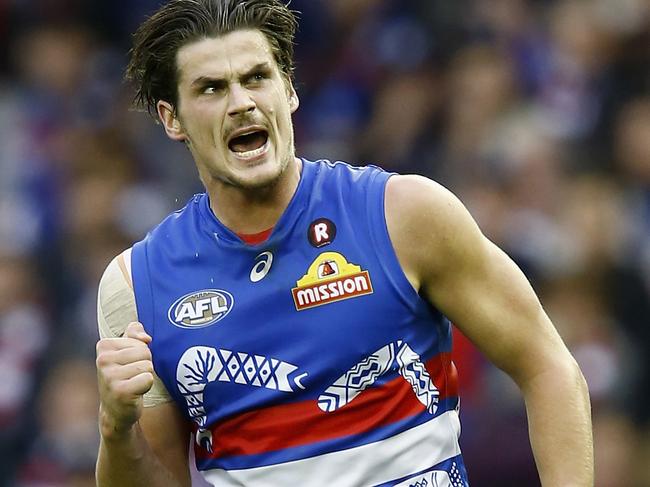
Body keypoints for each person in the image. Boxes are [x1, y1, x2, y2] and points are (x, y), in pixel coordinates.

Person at [94, 1, 594, 485]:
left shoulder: (404, 215)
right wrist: (117, 429)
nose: (242, 102)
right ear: (172, 119)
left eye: (257, 77)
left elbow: (547, 366)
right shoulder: (137, 284)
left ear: (288, 89)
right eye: (211, 88)